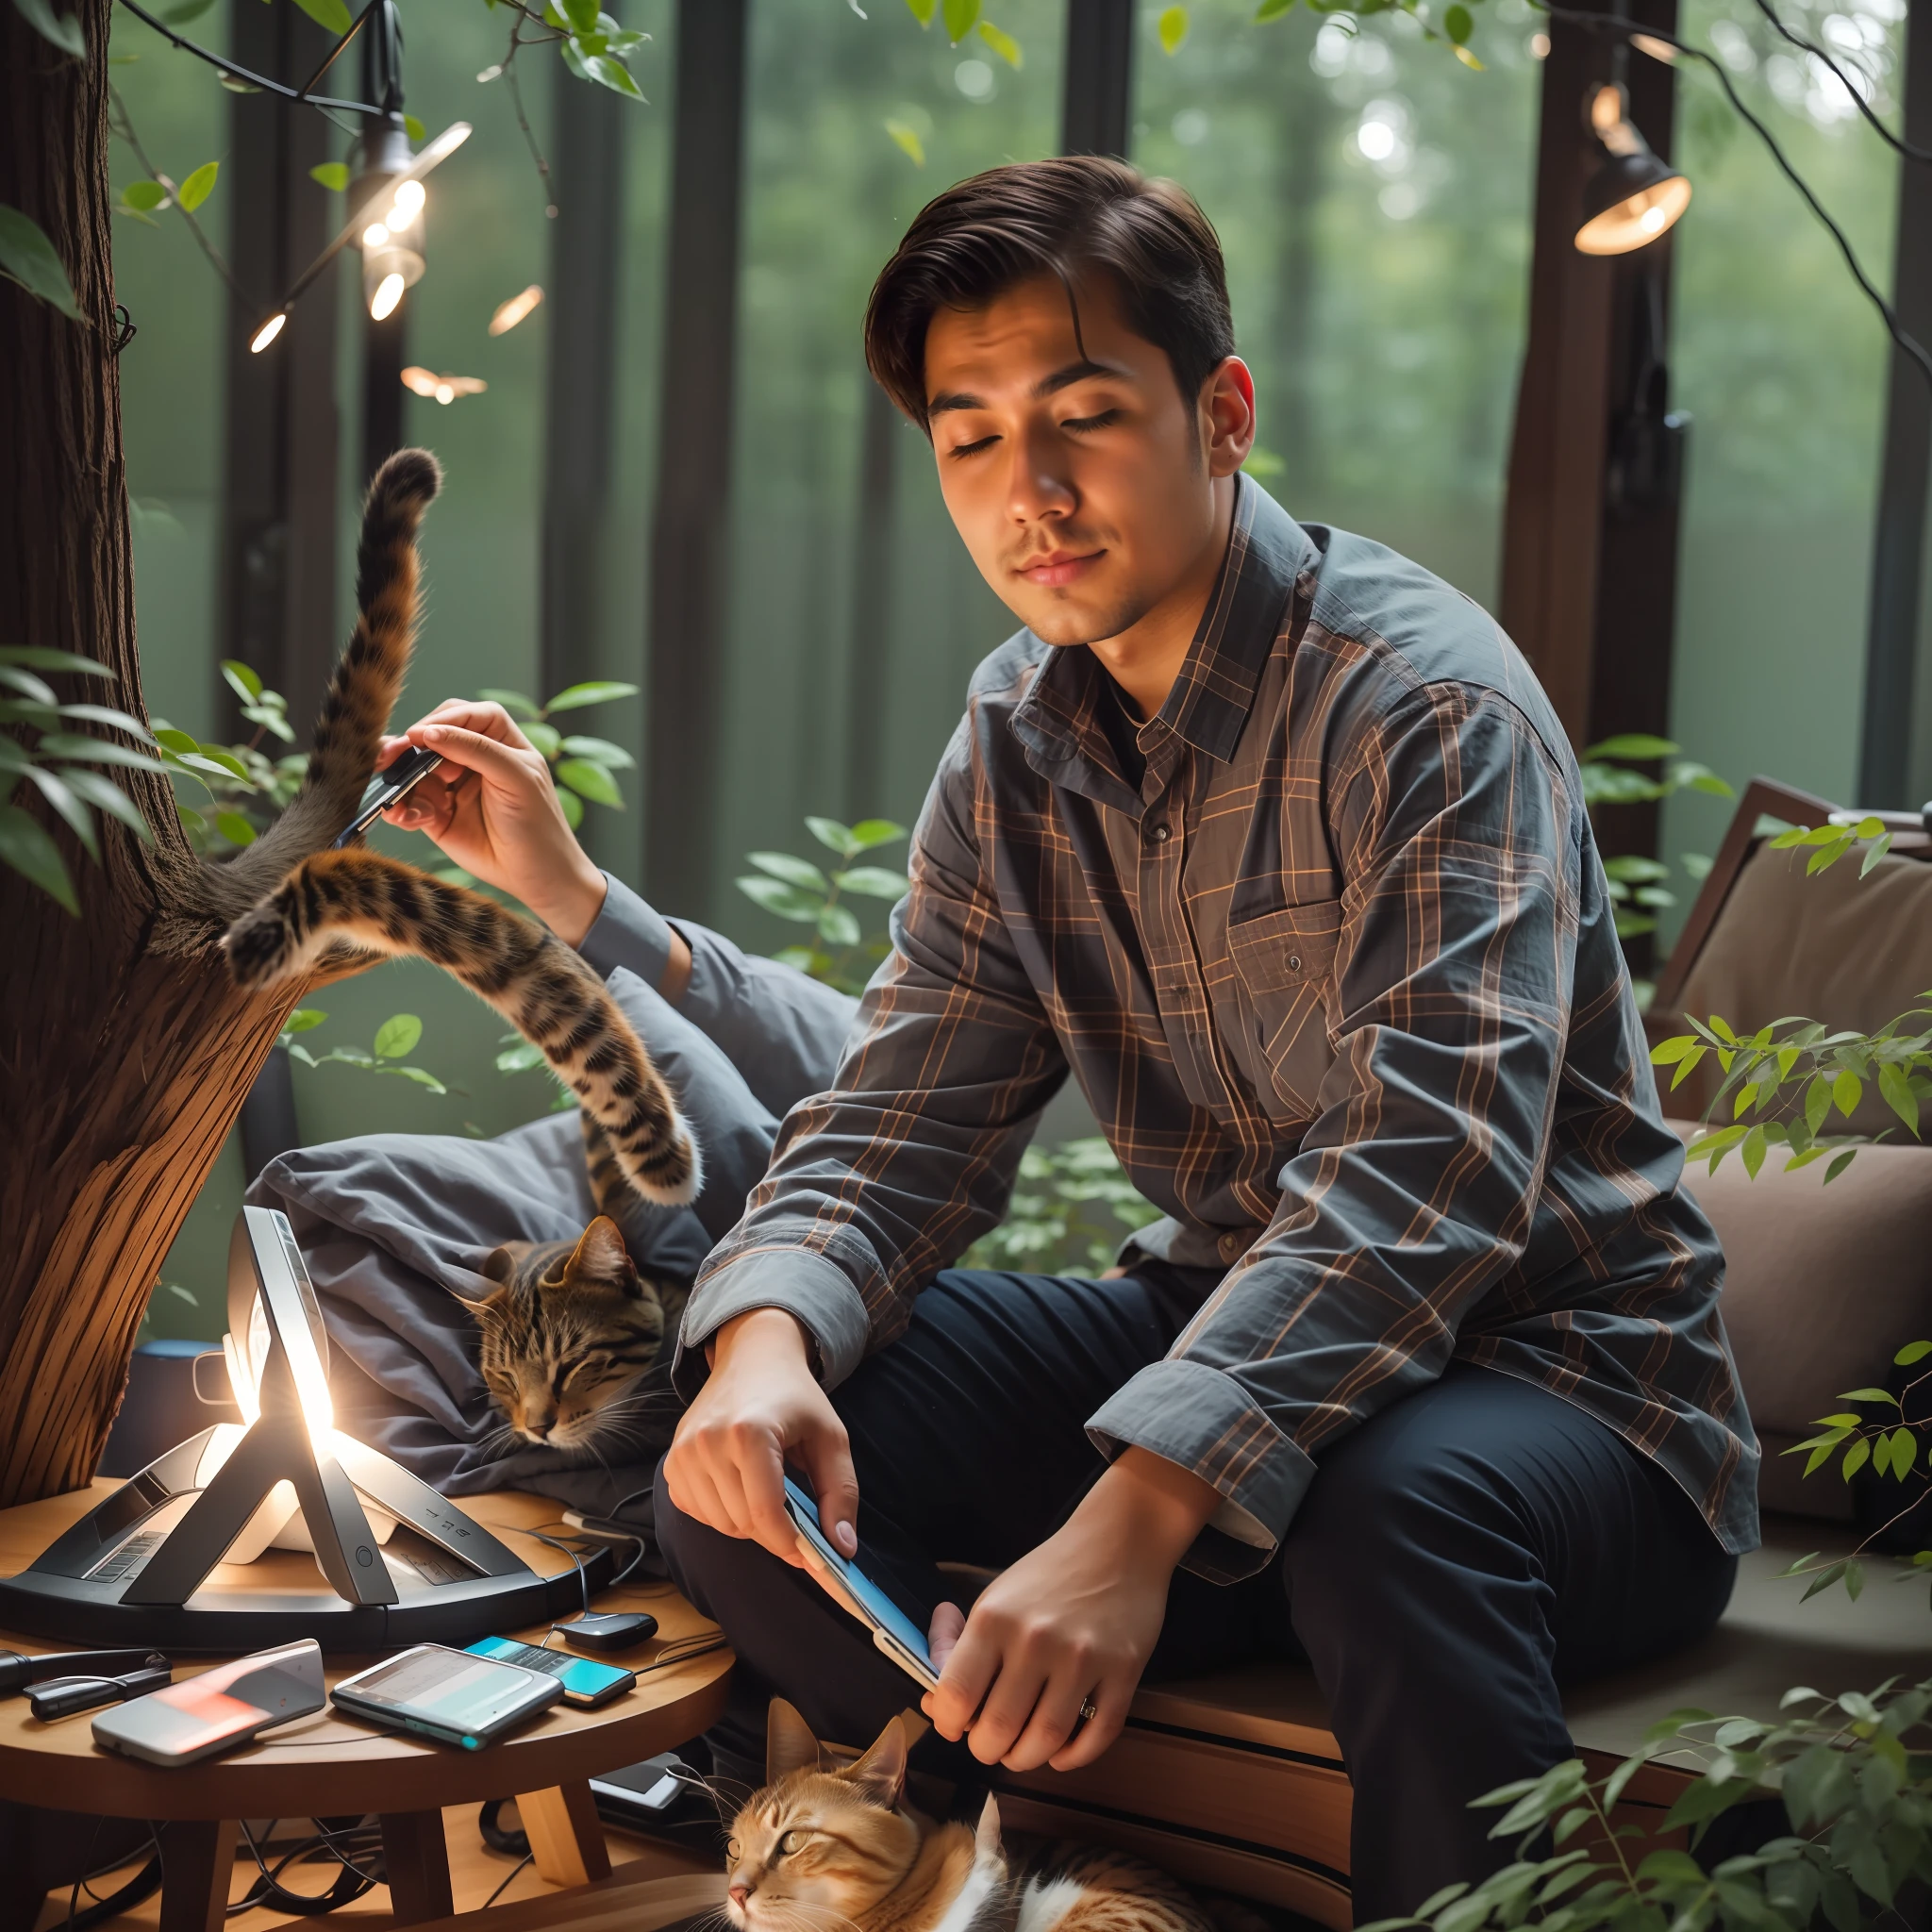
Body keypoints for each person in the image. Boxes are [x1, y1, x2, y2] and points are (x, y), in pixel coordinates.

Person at [383, 157, 1756, 1921]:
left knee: (1382, 1516)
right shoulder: (1015, 741)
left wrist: (1137, 1513)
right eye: (969, 439)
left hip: (1568, 1392)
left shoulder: (1430, 708)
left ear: (1223, 412)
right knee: (741, 1470)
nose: (1029, 491)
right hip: (1228, 1335)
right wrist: (763, 1340)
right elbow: (902, 1113)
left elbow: (1433, 1178)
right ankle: (989, 1869)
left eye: (1086, 417)